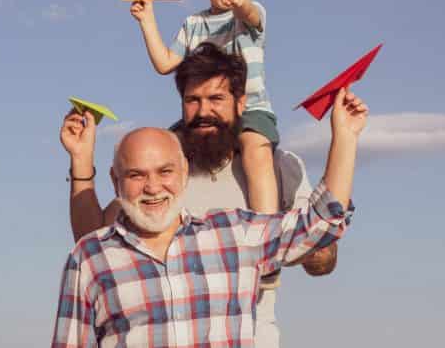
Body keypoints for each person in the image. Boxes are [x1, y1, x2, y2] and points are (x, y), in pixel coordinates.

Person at [64, 44, 338, 346]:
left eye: (216, 99)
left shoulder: (278, 168)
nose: (203, 111)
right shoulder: (164, 176)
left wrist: (291, 248)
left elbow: (322, 257)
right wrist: (80, 160)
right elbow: (97, 244)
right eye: (192, 100)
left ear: (241, 103)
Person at [129, 0, 279, 215]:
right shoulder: (194, 23)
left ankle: (267, 224)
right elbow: (165, 63)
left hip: (251, 108)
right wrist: (147, 21)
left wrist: (242, 4)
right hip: (204, 113)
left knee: (256, 148)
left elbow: (252, 16)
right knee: (164, 148)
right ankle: (160, 220)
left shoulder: (249, 14)